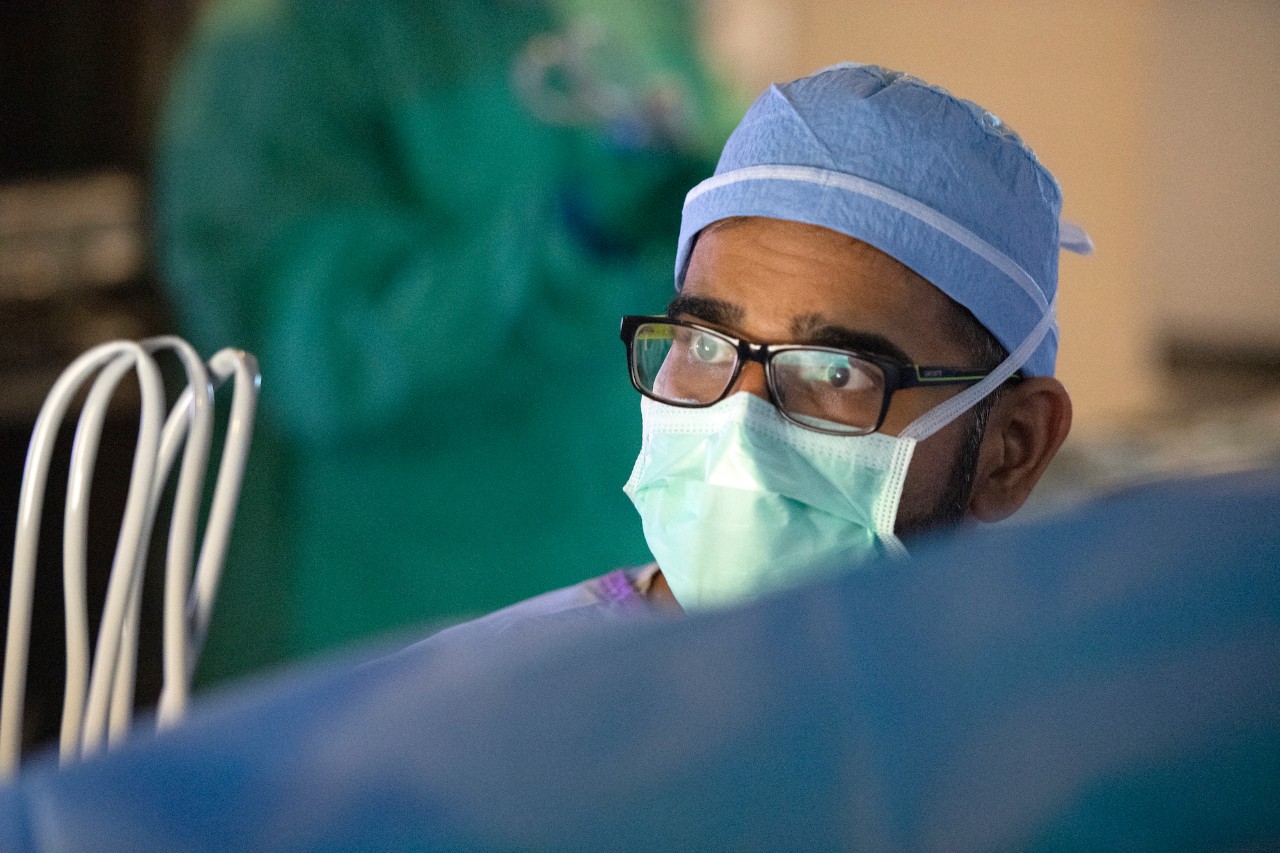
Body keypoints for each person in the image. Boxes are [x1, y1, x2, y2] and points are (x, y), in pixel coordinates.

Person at [153, 0, 732, 682]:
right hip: (393, 616)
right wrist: (569, 240)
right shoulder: (281, 43)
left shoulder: (612, 16)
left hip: (620, 580)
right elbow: (315, 349)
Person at [433, 61, 1086, 635]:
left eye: (836, 374)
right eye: (704, 346)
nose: (739, 425)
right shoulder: (486, 705)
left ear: (1014, 447)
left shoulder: (1069, 715)